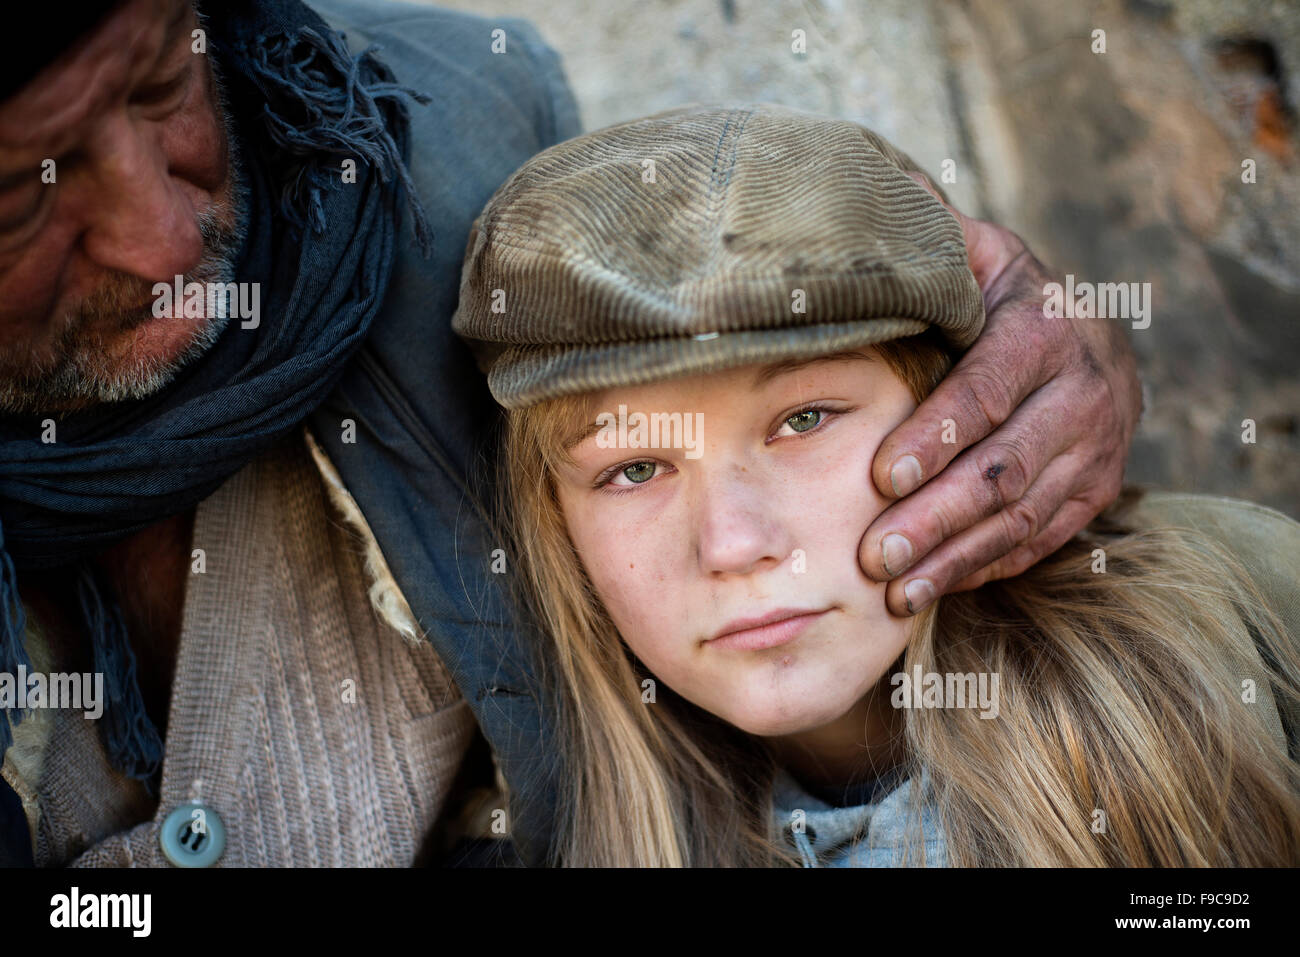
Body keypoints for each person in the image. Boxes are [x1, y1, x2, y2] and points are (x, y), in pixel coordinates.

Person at [0, 1, 1143, 868]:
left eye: (162, 87)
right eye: (22, 197)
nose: (163, 234)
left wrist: (1016, 331)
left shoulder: (454, 119)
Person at [451, 102, 1300, 866]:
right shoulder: (537, 832)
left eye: (807, 419)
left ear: (970, 408)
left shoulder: (1244, 617)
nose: (737, 543)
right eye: (634, 468)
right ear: (553, 517)